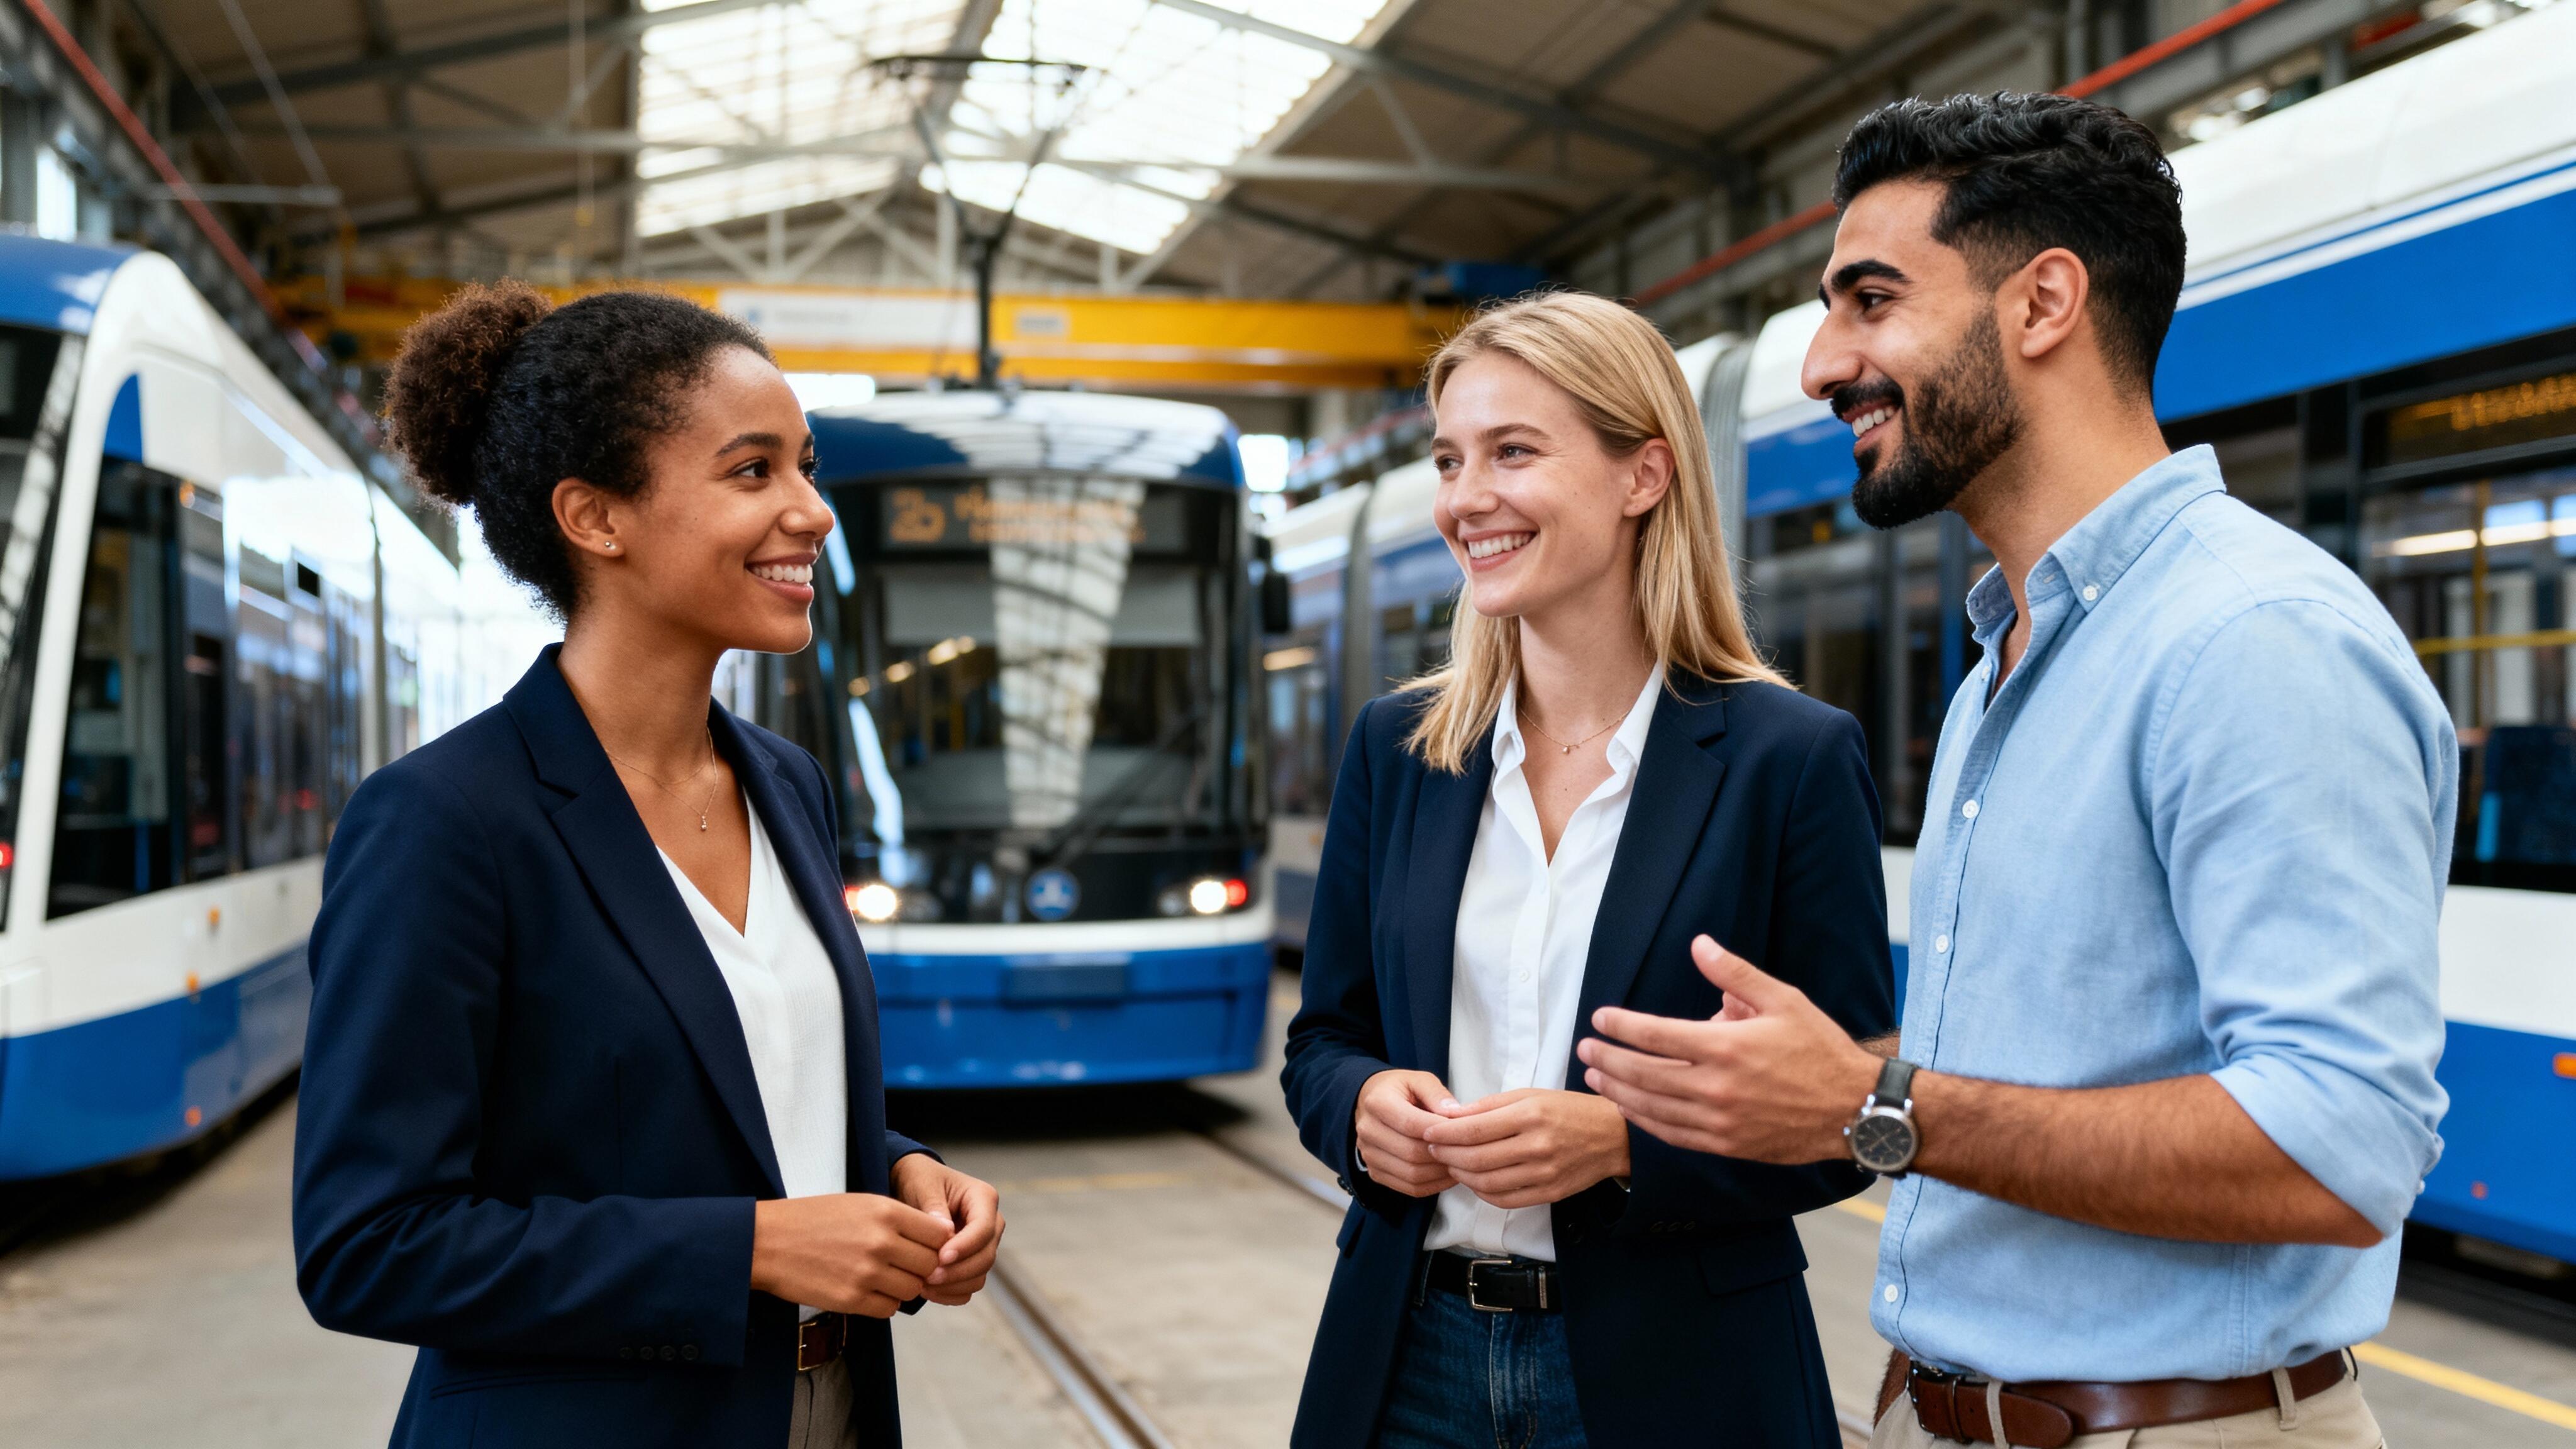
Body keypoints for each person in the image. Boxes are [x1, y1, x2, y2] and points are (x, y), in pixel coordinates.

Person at [1579, 92, 2453, 1449]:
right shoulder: (2010, 653)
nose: (1821, 365)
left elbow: (2336, 1146)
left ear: (2042, 302)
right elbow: (2040, 1067)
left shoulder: (2250, 639)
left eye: (1868, 301)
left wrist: (1870, 1106)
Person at [292, 282, 1004, 1449]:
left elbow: (740, 1090)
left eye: (806, 467)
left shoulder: (788, 789)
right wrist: (757, 1248)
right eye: (753, 471)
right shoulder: (442, 821)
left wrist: (901, 1171)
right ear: (595, 518)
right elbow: (370, 1244)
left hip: (826, 1410)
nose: (813, 512)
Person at [1280, 291, 1896, 1449]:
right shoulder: (1401, 749)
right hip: (1408, 1357)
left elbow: (1848, 1116)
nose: (1467, 500)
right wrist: (1363, 1111)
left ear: (1643, 476)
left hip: (1680, 1376)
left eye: (1514, 453)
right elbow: (1322, 1041)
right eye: (1450, 459)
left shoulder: (1790, 759)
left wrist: (1624, 1147)